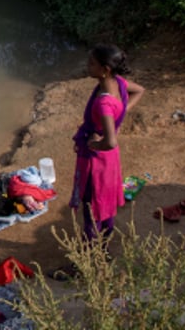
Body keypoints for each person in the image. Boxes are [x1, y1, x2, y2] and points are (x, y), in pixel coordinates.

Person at [69, 44, 145, 243]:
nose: (88, 66)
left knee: (91, 205)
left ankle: (87, 258)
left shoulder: (103, 103)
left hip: (97, 162)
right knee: (106, 200)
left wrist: (94, 144)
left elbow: (110, 142)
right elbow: (139, 91)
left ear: (105, 70)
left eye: (92, 63)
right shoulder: (118, 83)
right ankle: (103, 246)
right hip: (110, 161)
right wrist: (120, 111)